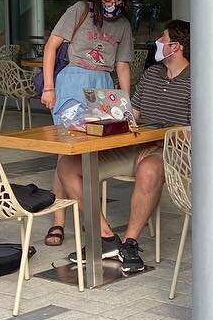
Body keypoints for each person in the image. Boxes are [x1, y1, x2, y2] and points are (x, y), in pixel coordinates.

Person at [54, 21, 191, 275]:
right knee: (68, 165)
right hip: (134, 144)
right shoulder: (151, 74)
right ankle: (106, 237)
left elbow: (197, 129)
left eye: (163, 38)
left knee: (149, 170)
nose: (158, 43)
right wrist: (107, 116)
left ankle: (129, 243)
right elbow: (134, 113)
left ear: (176, 46)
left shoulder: (197, 80)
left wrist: (161, 135)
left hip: (169, 150)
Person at [41, 0, 134, 248]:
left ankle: (86, 210)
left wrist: (124, 105)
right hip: (72, 81)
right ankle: (59, 220)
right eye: (107, 0)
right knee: (66, 151)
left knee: (91, 152)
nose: (112, 4)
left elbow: (123, 66)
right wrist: (48, 87)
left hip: (103, 85)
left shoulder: (124, 25)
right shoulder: (79, 11)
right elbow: (51, 46)